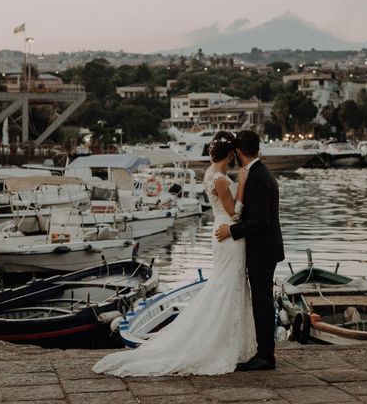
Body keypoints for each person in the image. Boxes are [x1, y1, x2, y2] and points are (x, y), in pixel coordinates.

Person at [93, 131, 256, 376]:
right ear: (231, 152)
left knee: (227, 285)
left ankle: (232, 341)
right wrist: (242, 184)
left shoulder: (211, 174)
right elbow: (234, 213)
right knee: (227, 286)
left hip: (223, 234)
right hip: (228, 234)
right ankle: (224, 344)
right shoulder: (221, 179)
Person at [215, 130, 284, 372]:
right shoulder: (259, 172)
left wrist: (232, 231)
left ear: (239, 152)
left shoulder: (255, 177)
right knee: (262, 299)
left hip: (263, 249)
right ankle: (264, 351)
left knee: (262, 301)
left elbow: (260, 222)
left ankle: (265, 356)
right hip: (266, 248)